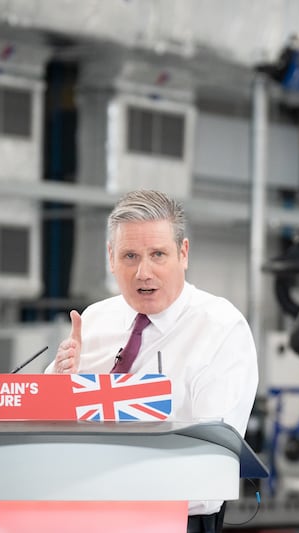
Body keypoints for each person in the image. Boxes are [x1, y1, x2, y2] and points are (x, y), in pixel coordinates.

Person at [47, 189, 259, 533]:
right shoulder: (94, 320)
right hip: (78, 516)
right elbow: (41, 425)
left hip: (171, 521)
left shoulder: (221, 328)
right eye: (130, 256)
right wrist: (57, 383)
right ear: (111, 257)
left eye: (158, 254)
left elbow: (212, 461)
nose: (143, 272)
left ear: (183, 253)